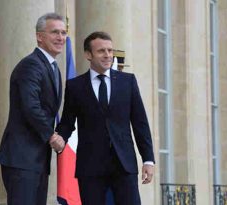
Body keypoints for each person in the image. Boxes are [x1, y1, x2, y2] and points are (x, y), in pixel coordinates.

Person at [56, 31, 155, 205]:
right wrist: (59, 138)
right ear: (88, 54)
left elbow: (140, 124)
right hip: (91, 167)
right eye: (101, 51)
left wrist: (148, 159)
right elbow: (67, 122)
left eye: (110, 50)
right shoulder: (75, 86)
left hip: (124, 165)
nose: (108, 55)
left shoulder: (128, 82)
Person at [0, 12, 66, 205]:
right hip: (22, 159)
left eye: (63, 32)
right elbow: (31, 106)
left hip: (37, 159)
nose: (61, 38)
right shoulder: (31, 65)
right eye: (55, 32)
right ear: (39, 36)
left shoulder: (52, 68)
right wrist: (52, 136)